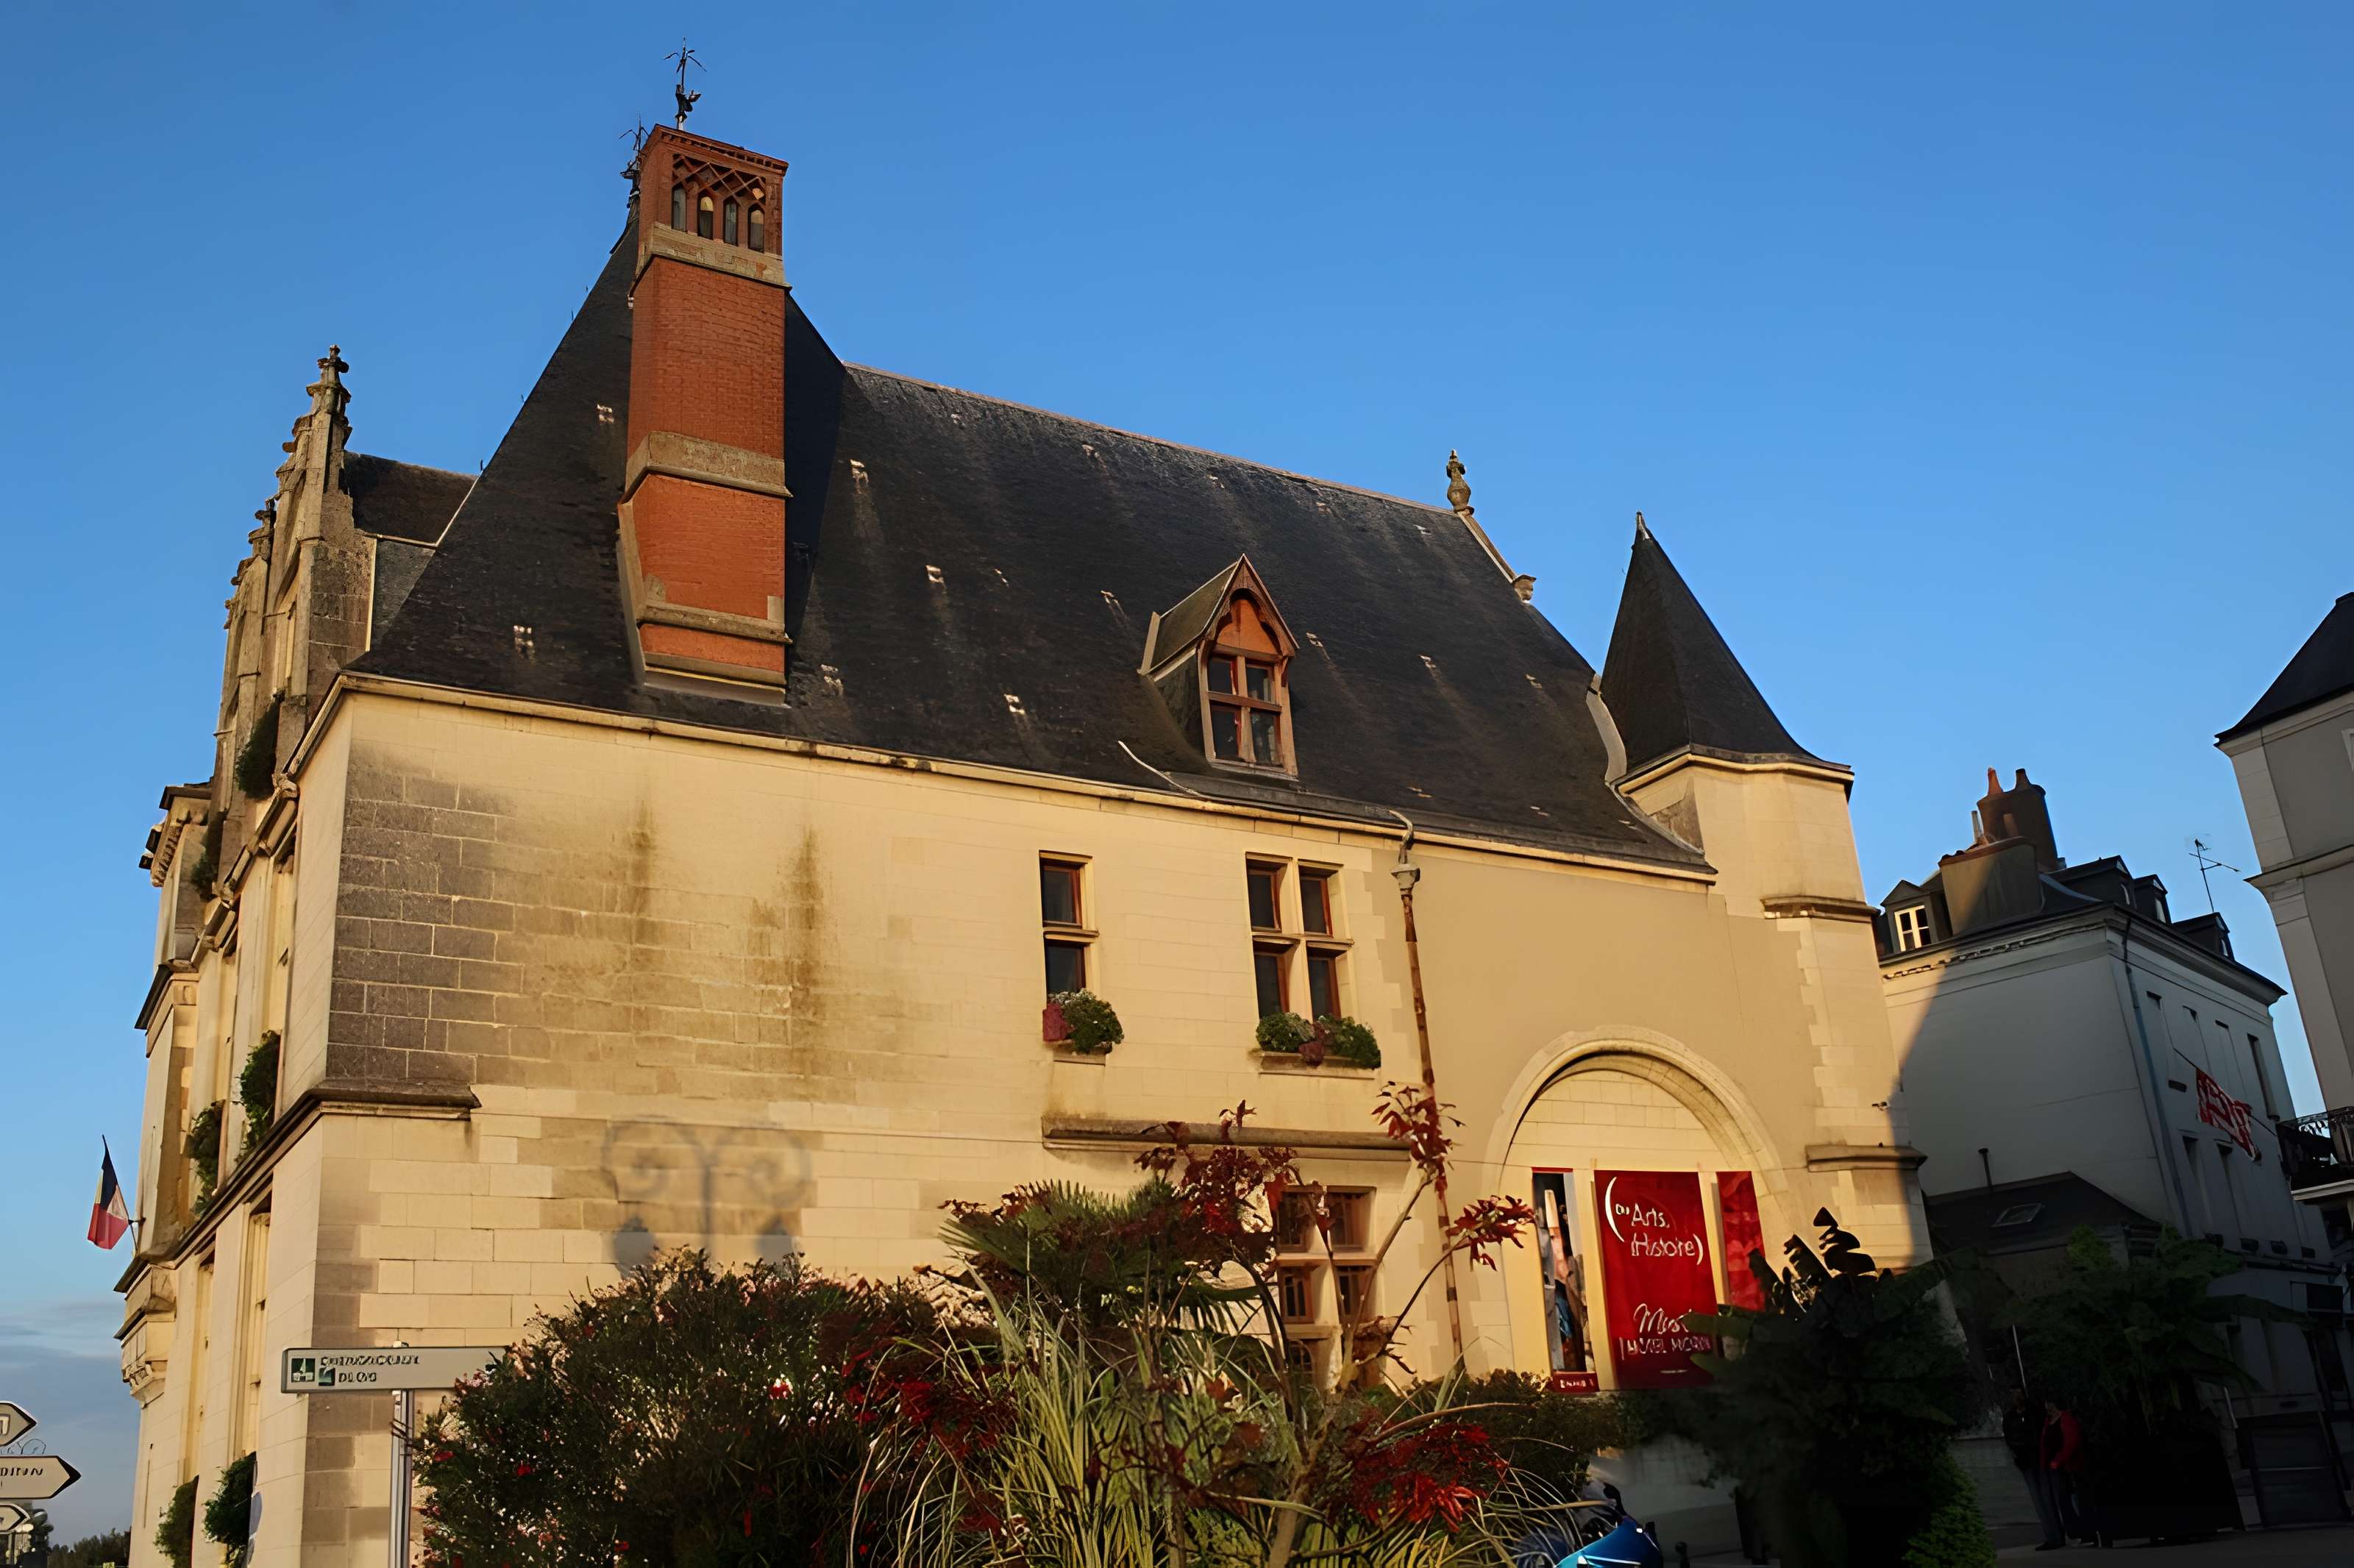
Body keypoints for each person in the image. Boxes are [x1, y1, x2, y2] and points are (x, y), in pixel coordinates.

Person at [2004, 1389, 2064, 1550]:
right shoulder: (2014, 1416)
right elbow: (2010, 1438)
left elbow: (2039, 1435)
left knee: (2046, 1499)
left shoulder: (2033, 1413)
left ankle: (2055, 1536)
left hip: (2039, 1460)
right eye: (2014, 1395)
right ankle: (2054, 1536)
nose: (2016, 1398)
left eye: (2019, 1395)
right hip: (2028, 1461)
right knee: (2042, 1500)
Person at [2042, 1402, 2088, 1544]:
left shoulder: (2065, 1418)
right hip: (2057, 1466)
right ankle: (2077, 1531)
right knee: (2065, 1500)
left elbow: (2070, 1441)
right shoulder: (2049, 1421)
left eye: (2051, 1404)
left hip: (2067, 1465)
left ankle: (2085, 1531)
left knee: (2075, 1498)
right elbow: (2045, 1443)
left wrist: (2059, 1459)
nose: (2049, 1407)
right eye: (2047, 1404)